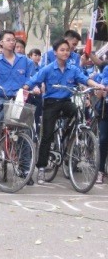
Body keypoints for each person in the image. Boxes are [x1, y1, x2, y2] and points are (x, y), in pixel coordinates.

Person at [25, 39, 105, 185]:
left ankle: (71, 137)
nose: (65, 52)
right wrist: (25, 87)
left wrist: (98, 85)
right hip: (51, 103)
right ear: (55, 52)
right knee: (47, 135)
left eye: (67, 50)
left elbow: (85, 80)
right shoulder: (48, 68)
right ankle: (41, 168)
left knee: (78, 111)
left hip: (66, 102)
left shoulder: (73, 69)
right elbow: (34, 80)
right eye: (62, 50)